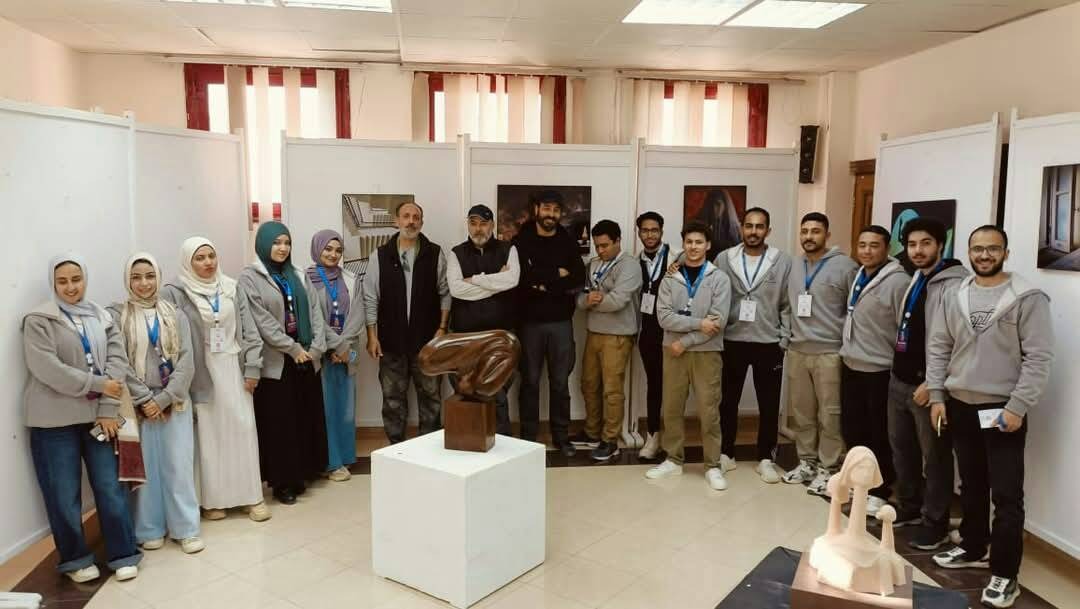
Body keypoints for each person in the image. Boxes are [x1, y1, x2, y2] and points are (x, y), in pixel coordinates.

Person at [927, 225, 1053, 609]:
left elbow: (1039, 358)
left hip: (1002, 410)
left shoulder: (1027, 298)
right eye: (978, 249)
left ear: (1005, 253)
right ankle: (973, 546)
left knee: (1007, 494)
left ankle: (1004, 573)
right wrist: (937, 395)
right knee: (971, 484)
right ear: (969, 252)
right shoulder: (955, 293)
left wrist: (1017, 406)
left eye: (992, 249)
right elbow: (939, 346)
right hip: (960, 404)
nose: (984, 255)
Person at [22, 254, 142, 583]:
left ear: (85, 279)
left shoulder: (102, 317)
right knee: (63, 496)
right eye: (62, 281)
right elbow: (48, 370)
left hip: (97, 419)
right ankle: (75, 559)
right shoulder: (38, 320)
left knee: (110, 487)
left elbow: (117, 362)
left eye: (76, 279)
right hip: (52, 423)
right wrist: (98, 385)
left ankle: (123, 554)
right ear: (53, 283)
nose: (71, 287)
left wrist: (107, 408)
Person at [161, 237, 270, 522]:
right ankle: (213, 501)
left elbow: (250, 331)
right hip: (200, 371)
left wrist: (252, 368)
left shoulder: (232, 287)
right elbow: (170, 338)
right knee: (210, 436)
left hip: (233, 365)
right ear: (187, 262)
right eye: (199, 258)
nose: (208, 262)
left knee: (243, 430)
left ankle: (250, 497)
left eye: (211, 256)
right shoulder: (175, 292)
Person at [110, 253, 203, 554]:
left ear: (159, 277)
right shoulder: (118, 316)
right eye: (136, 277)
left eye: (150, 276)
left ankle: (186, 528)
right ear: (127, 280)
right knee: (146, 468)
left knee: (179, 465)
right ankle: (149, 528)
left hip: (174, 400)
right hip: (139, 405)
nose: (144, 283)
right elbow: (119, 362)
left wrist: (163, 399)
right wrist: (145, 399)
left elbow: (187, 361)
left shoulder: (176, 314)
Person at [887, 217, 967, 550]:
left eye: (925, 243)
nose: (918, 250)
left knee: (934, 458)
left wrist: (935, 386)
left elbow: (957, 342)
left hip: (927, 388)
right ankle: (909, 507)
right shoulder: (917, 277)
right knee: (902, 451)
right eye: (912, 244)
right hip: (900, 380)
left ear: (940, 245)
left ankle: (935, 523)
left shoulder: (954, 284)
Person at [240, 222, 329, 505]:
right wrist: (293, 349)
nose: (282, 248)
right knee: (281, 424)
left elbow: (315, 311)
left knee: (304, 418)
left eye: (287, 243)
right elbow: (262, 321)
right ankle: (283, 482)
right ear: (264, 244)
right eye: (276, 242)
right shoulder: (250, 278)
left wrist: (316, 348)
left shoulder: (297, 274)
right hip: (278, 362)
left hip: (306, 358)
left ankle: (302, 473)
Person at [644, 221, 732, 490]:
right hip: (672, 351)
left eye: (699, 242)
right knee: (671, 407)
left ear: (708, 245)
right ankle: (673, 459)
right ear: (683, 244)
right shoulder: (670, 277)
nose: (693, 247)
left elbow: (717, 322)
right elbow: (664, 317)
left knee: (709, 410)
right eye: (689, 242)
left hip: (706, 352)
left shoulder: (719, 278)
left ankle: (712, 465)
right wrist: (697, 324)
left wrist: (686, 341)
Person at [782, 212, 859, 496]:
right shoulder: (794, 265)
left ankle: (829, 467)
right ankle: (807, 462)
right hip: (798, 350)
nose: (809, 236)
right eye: (804, 231)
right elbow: (787, 305)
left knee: (830, 414)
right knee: (802, 412)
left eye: (815, 231)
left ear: (827, 235)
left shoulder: (846, 266)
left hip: (830, 352)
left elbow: (856, 308)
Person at [713, 206, 792, 483]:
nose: (753, 231)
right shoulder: (725, 258)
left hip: (768, 342)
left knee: (769, 403)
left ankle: (765, 458)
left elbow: (787, 303)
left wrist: (784, 339)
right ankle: (726, 453)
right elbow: (713, 292)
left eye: (759, 226)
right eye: (749, 226)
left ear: (768, 230)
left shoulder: (782, 261)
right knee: (727, 401)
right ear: (741, 228)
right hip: (731, 340)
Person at [363, 201, 450, 443]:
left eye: (416, 217)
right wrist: (372, 336)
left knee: (431, 398)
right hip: (391, 343)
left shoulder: (435, 254)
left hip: (428, 344)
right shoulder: (380, 256)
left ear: (421, 222)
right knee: (392, 400)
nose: (411, 221)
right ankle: (396, 449)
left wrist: (442, 328)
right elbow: (370, 297)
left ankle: (429, 448)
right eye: (406, 216)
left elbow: (445, 293)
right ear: (396, 221)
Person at [838, 226, 909, 515]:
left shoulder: (898, 281)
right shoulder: (859, 274)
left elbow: (904, 328)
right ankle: (859, 482)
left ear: (887, 249)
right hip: (851, 364)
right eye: (862, 245)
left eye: (874, 245)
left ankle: (881, 489)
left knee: (878, 433)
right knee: (853, 429)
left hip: (879, 370)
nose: (867, 251)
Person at [512, 190, 587, 456]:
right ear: (537, 210)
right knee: (529, 382)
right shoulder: (520, 241)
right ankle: (528, 439)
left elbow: (577, 278)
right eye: (546, 208)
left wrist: (543, 283)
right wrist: (556, 274)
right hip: (529, 324)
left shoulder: (567, 241)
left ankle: (561, 437)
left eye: (555, 210)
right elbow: (521, 279)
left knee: (560, 383)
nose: (550, 214)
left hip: (561, 323)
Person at [570, 220, 642, 461]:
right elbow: (579, 299)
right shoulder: (593, 263)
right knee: (588, 384)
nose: (600, 250)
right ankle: (592, 432)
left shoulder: (630, 265)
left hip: (618, 335)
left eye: (605, 245)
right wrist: (588, 300)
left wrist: (593, 301)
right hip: (594, 332)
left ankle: (610, 440)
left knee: (612, 390)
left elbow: (618, 301)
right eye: (597, 246)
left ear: (618, 241)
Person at [446, 204, 520, 435]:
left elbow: (512, 280)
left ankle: (503, 444)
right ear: (468, 225)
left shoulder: (508, 249)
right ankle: (468, 442)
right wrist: (495, 283)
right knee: (465, 392)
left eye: (483, 223)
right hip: (465, 338)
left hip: (500, 337)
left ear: (492, 225)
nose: (478, 229)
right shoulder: (456, 253)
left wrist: (474, 280)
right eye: (473, 223)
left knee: (497, 393)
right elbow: (456, 290)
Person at [307, 229, 365, 482]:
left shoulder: (351, 278)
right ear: (317, 249)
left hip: (347, 352)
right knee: (325, 409)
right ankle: (331, 462)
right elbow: (313, 318)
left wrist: (344, 347)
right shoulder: (305, 279)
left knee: (346, 408)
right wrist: (335, 346)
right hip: (322, 351)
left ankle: (345, 456)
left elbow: (359, 313)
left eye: (338, 250)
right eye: (328, 249)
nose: (333, 254)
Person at [634, 211, 673, 460]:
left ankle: (673, 439)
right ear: (639, 233)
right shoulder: (635, 262)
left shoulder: (676, 257)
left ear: (661, 231)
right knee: (655, 385)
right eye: (645, 230)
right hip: (648, 333)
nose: (650, 235)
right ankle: (653, 436)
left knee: (675, 387)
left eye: (654, 230)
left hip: (673, 332)